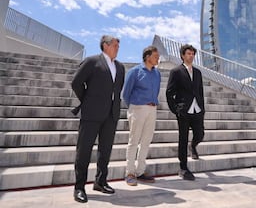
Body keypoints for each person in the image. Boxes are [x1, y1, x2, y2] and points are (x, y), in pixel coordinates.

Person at [71, 35, 125, 203]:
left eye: (118, 45)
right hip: (91, 113)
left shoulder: (120, 67)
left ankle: (100, 181)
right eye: (115, 45)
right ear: (105, 45)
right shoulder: (92, 61)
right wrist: (87, 100)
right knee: (84, 151)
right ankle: (79, 187)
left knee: (105, 150)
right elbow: (76, 83)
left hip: (111, 115)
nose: (117, 48)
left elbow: (117, 90)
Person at [166, 44, 205, 181]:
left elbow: (200, 92)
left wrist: (203, 108)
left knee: (200, 134)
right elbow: (169, 93)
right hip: (183, 111)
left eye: (193, 54)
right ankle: (183, 168)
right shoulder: (176, 71)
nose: (191, 56)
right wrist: (176, 110)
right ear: (183, 55)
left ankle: (193, 146)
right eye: (188, 53)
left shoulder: (198, 72)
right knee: (183, 138)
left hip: (197, 109)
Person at [123, 45, 161, 186]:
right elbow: (125, 93)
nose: (158, 59)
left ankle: (140, 171)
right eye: (156, 56)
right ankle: (130, 172)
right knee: (134, 142)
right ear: (147, 56)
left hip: (152, 109)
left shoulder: (157, 74)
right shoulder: (134, 72)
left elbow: (156, 91)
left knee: (146, 141)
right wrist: (134, 107)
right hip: (137, 108)